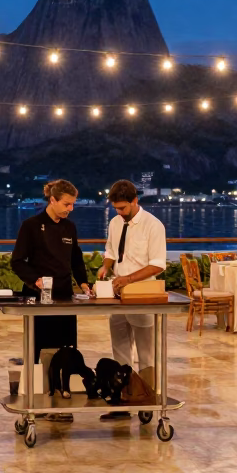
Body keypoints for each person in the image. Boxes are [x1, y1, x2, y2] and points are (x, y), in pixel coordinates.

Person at [95, 179, 166, 421]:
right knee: (120, 350)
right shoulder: (115, 222)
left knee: (145, 353)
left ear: (135, 201)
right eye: (116, 208)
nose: (119, 212)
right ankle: (121, 401)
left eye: (123, 208)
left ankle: (146, 400)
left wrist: (128, 279)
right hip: (118, 297)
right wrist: (105, 268)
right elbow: (111, 252)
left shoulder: (153, 226)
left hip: (143, 296)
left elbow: (158, 264)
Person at [10, 179, 92, 364]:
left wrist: (84, 283)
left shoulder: (69, 226)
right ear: (52, 200)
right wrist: (34, 280)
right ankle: (34, 387)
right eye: (66, 204)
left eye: (72, 204)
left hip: (64, 296)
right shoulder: (31, 225)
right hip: (38, 296)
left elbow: (76, 258)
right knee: (37, 346)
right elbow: (17, 261)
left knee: (67, 348)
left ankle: (62, 387)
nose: (70, 208)